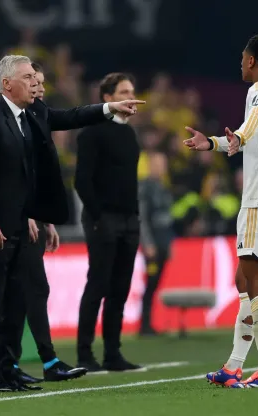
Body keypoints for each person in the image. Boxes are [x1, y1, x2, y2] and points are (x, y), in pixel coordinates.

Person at [0, 55, 143, 393]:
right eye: (28, 77)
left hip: (18, 224)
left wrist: (109, 109)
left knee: (15, 303)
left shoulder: (33, 114)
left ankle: (9, 368)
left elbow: (69, 117)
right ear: (6, 85)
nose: (35, 82)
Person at [184, 34, 258, 389]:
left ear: (252, 61)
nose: (240, 63)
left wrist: (238, 137)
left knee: (257, 282)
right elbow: (257, 137)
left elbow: (254, 125)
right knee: (243, 280)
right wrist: (215, 143)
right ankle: (233, 366)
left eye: (242, 57)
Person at [12, 62, 88, 384]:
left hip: (31, 219)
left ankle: (25, 361)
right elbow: (16, 176)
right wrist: (28, 214)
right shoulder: (14, 122)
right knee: (26, 291)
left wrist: (47, 220)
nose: (40, 89)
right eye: (34, 82)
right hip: (12, 220)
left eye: (41, 83)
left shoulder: (37, 116)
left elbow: (38, 179)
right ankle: (39, 361)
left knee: (25, 292)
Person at [74, 73, 143, 372]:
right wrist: (98, 216)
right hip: (104, 219)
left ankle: (112, 354)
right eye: (124, 91)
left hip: (130, 220)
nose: (132, 96)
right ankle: (85, 354)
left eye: (132, 90)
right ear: (107, 98)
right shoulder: (92, 132)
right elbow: (82, 181)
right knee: (98, 285)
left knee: (120, 289)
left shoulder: (129, 134)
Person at [138, 151, 175, 336]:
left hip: (162, 242)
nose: (161, 168)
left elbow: (167, 219)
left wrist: (169, 244)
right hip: (152, 245)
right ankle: (144, 325)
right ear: (151, 165)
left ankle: (148, 324)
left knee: (155, 283)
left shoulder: (163, 187)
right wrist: (148, 243)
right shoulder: (145, 188)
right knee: (150, 283)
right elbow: (142, 217)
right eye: (158, 164)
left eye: (163, 164)